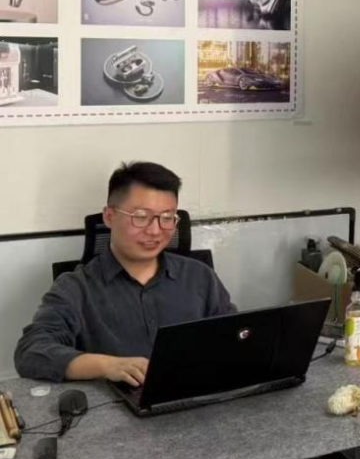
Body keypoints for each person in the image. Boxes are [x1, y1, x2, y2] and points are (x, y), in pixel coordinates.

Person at [14, 162, 236, 384]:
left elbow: (236, 337)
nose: (155, 230)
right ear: (109, 217)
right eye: (141, 216)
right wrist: (108, 366)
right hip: (119, 403)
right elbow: (31, 351)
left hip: (200, 396)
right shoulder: (76, 288)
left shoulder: (200, 276)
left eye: (167, 217)